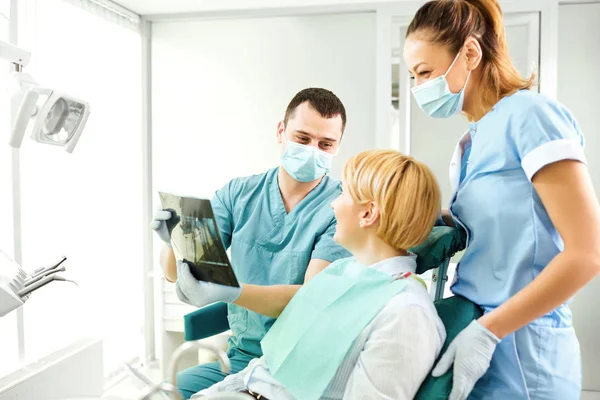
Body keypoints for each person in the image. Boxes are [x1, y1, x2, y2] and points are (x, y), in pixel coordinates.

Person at [403, 1, 600, 399]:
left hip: (523, 348)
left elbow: (587, 254)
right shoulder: (474, 139)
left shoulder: (531, 115)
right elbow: (503, 225)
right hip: (478, 337)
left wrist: (489, 330)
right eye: (412, 76)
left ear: (470, 53)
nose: (418, 87)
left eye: (424, 72)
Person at [188, 150, 445, 400]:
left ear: (368, 214)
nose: (333, 203)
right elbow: (266, 371)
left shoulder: (405, 312)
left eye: (344, 193)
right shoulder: (342, 271)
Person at [151, 88, 352, 399]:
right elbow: (175, 273)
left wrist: (234, 292)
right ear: (281, 131)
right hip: (242, 356)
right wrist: (172, 242)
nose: (313, 150)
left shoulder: (341, 208)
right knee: (166, 392)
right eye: (302, 138)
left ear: (338, 147)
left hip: (297, 366)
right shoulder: (238, 195)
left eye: (325, 144)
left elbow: (309, 300)